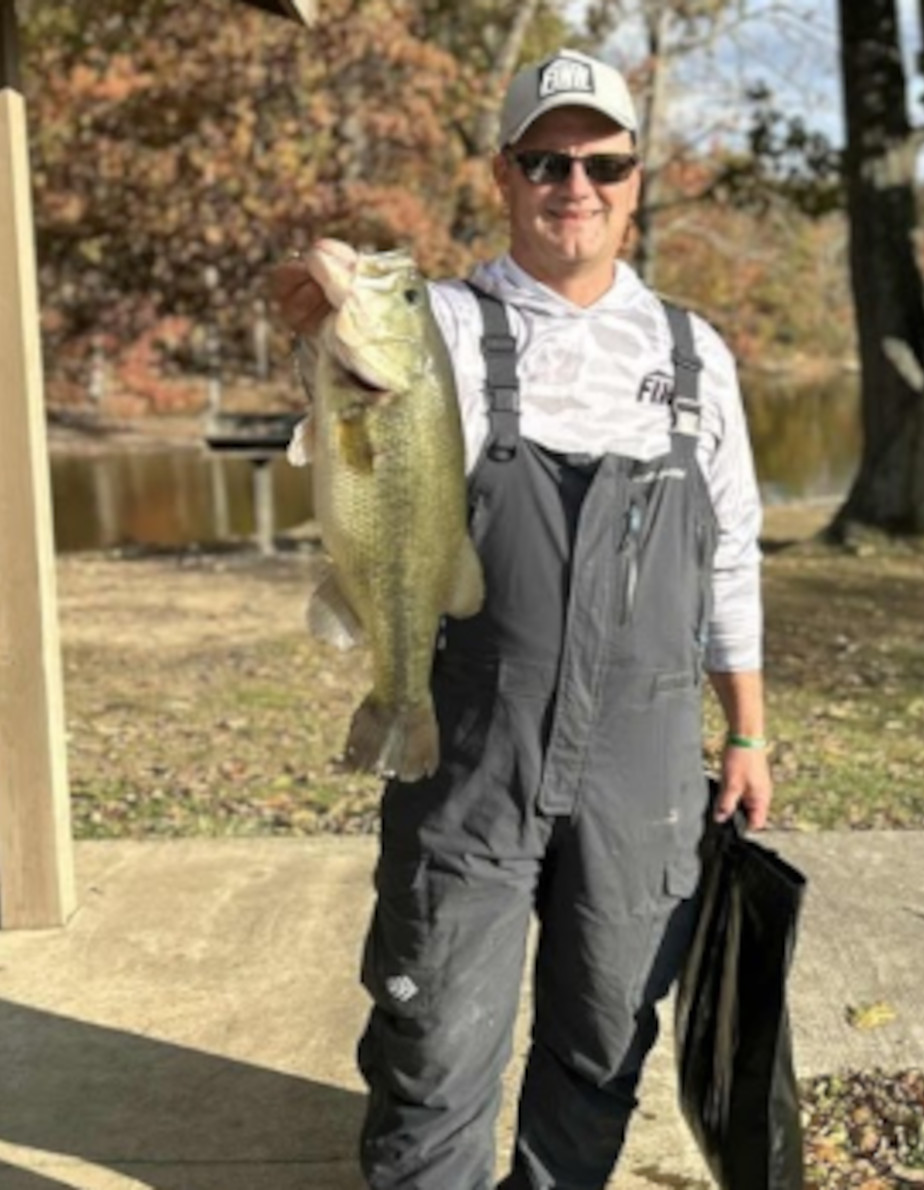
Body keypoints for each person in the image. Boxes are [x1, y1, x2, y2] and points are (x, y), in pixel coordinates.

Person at [271, 47, 772, 1190]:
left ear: (638, 179)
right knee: (435, 1032)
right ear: (503, 174)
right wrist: (313, 308)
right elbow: (340, 386)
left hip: (644, 760)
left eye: (602, 161)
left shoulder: (696, 355)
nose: (574, 184)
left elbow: (732, 553)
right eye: (546, 159)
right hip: (471, 741)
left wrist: (743, 728)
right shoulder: (436, 320)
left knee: (602, 1034)